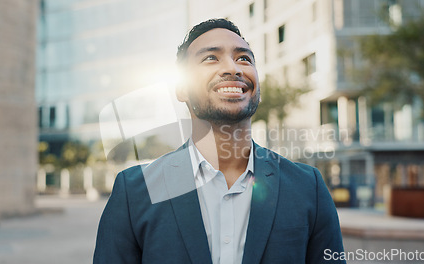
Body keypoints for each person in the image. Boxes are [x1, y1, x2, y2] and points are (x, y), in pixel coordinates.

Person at [94, 18, 345, 264]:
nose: (233, 68)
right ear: (181, 88)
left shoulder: (307, 187)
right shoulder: (135, 191)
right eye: (211, 58)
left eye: (244, 58)